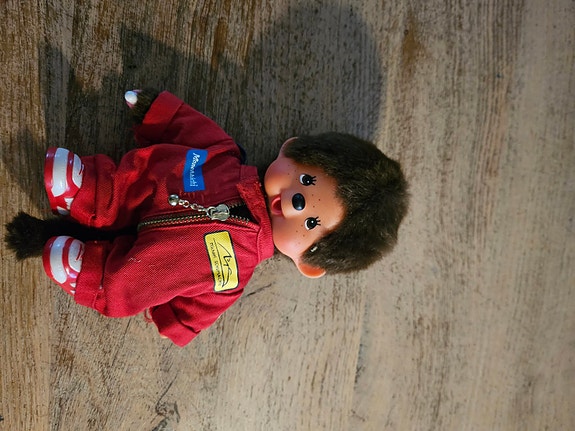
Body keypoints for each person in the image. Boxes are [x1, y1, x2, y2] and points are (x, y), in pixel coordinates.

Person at [7, 89, 409, 346]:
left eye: (310, 223)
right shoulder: (222, 155)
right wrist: (155, 113)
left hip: (147, 266)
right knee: (132, 179)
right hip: (143, 187)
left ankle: (93, 276)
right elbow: (188, 128)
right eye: (304, 182)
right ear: (290, 150)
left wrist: (173, 320)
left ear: (307, 262)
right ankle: (88, 190)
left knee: (137, 281)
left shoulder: (232, 277)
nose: (292, 204)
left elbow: (200, 309)